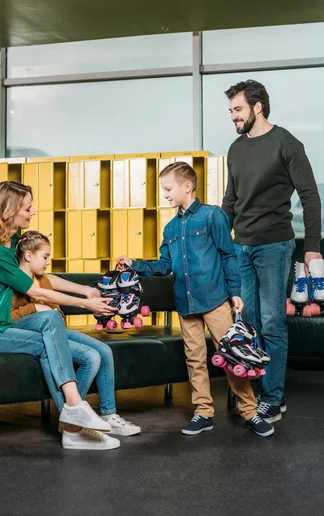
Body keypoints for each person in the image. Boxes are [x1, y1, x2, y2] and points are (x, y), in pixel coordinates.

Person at [0, 180, 123, 451]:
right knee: (43, 345)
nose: (33, 212)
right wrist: (87, 306)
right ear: (10, 210)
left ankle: (74, 417)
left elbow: (41, 277)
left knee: (52, 320)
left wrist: (85, 290)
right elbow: (38, 293)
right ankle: (74, 416)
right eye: (27, 208)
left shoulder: (12, 241)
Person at [117, 161, 274, 438]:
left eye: (168, 189)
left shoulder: (213, 216)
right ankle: (203, 412)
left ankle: (250, 411)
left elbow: (228, 255)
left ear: (187, 186)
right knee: (194, 359)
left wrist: (235, 292)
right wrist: (134, 264)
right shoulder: (170, 229)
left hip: (215, 300)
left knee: (232, 355)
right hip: (185, 304)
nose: (164, 194)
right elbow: (164, 266)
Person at [222, 79, 322, 423]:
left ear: (257, 107)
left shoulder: (286, 143)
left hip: (274, 245)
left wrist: (311, 247)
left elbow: (309, 195)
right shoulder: (236, 148)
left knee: (271, 323)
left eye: (238, 109)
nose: (233, 116)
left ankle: (273, 398)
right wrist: (220, 239)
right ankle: (252, 394)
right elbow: (230, 201)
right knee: (247, 324)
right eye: (231, 110)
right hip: (241, 247)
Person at [11, 229, 141, 439]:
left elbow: (55, 282)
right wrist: (36, 309)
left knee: (105, 351)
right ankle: (71, 418)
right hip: (37, 336)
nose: (47, 262)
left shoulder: (40, 278)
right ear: (28, 256)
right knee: (91, 357)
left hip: (57, 330)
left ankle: (109, 415)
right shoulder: (16, 281)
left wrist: (86, 291)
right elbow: (9, 318)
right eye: (44, 257)